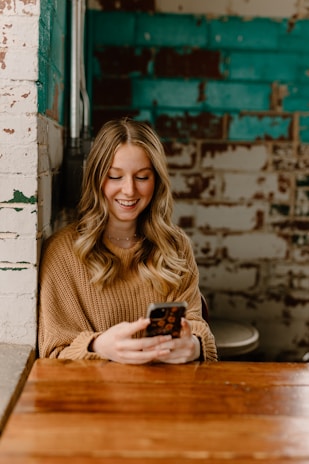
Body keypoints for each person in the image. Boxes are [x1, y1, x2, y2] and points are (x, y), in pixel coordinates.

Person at [38, 118, 217, 363]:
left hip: (165, 391)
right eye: (114, 176)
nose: (130, 190)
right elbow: (53, 353)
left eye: (142, 177)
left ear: (157, 182)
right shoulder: (61, 252)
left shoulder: (174, 246)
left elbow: (196, 324)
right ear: (96, 179)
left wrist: (195, 346)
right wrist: (98, 345)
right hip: (92, 396)